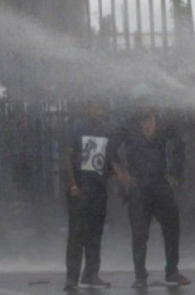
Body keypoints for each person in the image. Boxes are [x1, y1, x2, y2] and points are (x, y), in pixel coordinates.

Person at [115, 104, 191, 288]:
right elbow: (110, 149)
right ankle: (140, 275)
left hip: (159, 184)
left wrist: (174, 173)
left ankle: (172, 271)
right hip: (139, 186)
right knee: (140, 232)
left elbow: (180, 143)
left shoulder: (163, 125)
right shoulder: (128, 127)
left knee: (172, 226)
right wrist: (121, 174)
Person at [61, 101, 118, 292]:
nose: (99, 111)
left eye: (101, 108)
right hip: (80, 189)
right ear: (87, 108)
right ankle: (72, 277)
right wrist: (73, 185)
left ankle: (91, 274)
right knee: (77, 234)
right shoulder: (76, 128)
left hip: (98, 189)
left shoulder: (104, 130)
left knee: (95, 233)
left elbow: (109, 159)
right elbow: (67, 157)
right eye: (96, 107)